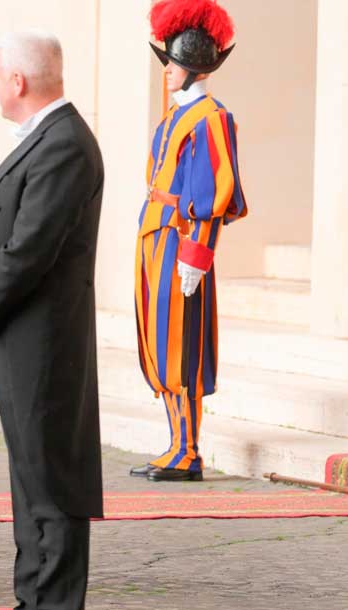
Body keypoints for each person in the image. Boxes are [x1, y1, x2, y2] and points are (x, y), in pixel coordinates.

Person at [0, 33, 104, 610]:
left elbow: (30, 246)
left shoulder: (65, 143)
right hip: (22, 339)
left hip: (43, 340)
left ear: (19, 81)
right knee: (28, 482)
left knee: (52, 482)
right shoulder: (47, 137)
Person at [130, 0, 246, 482]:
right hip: (156, 236)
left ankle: (189, 449)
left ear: (194, 69)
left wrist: (196, 257)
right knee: (160, 344)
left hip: (181, 241)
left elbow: (211, 195)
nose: (167, 73)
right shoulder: (177, 115)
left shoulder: (211, 118)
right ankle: (176, 443)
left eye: (174, 65)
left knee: (182, 347)